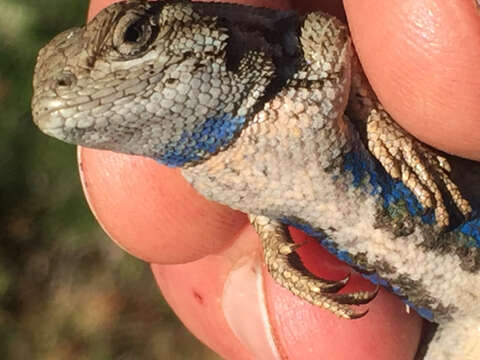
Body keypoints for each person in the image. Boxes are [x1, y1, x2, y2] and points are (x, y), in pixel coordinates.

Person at [82, 0, 480, 358]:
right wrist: (274, 247)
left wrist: (370, 112)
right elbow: (263, 193)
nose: (71, 85)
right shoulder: (208, 174)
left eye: (132, 36)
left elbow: (325, 32)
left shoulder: (290, 81)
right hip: (459, 315)